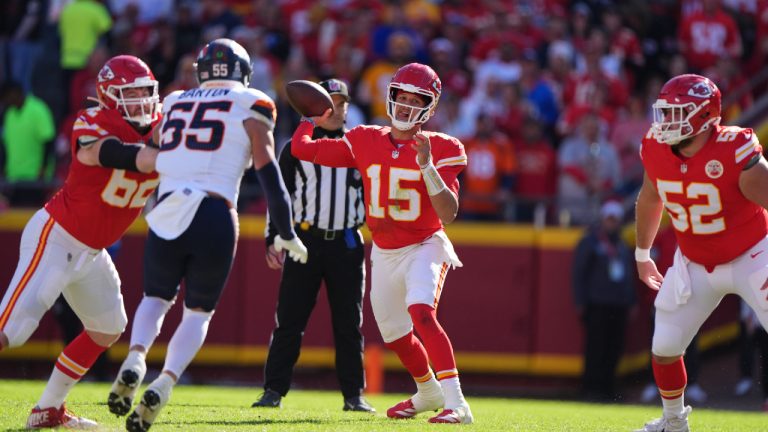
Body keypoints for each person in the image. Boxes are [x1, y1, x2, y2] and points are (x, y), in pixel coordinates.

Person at [107, 38, 307, 432]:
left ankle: (135, 357)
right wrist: (284, 229)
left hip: (166, 208)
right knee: (198, 312)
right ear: (243, 71)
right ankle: (165, 382)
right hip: (215, 211)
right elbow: (268, 171)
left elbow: (153, 149)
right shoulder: (253, 101)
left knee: (154, 298)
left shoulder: (176, 100)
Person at [291, 63, 473, 424]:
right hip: (385, 251)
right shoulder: (364, 138)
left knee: (421, 311)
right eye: (400, 98)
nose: (405, 106)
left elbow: (448, 213)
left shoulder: (441, 147)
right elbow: (303, 150)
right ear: (389, 97)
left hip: (425, 244)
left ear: (430, 106)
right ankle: (428, 391)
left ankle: (457, 403)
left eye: (415, 100)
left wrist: (427, 166)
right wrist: (311, 117)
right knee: (394, 333)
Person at [0, 54, 161, 429]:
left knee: (107, 326)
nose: (141, 101)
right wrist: (162, 155)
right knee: (12, 330)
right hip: (56, 237)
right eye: (130, 93)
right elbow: (101, 151)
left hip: (91, 251)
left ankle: (47, 410)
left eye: (145, 92)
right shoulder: (92, 121)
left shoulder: (163, 127)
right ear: (109, 96)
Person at [634, 73, 768, 432]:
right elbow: (650, 198)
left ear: (704, 116)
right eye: (665, 113)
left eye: (677, 114)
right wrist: (642, 253)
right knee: (664, 344)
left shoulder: (734, 147)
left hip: (754, 253)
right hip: (694, 261)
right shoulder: (655, 147)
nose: (666, 122)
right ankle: (674, 422)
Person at [251, 78, 372, 412]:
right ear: (312, 107)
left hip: (346, 241)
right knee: (289, 320)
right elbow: (280, 196)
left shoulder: (360, 145)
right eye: (327, 101)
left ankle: (354, 396)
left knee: (349, 323)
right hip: (304, 239)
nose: (334, 109)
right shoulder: (295, 146)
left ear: (348, 107)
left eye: (340, 102)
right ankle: (273, 391)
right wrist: (273, 237)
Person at [572, 200, 636, 401]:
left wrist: (631, 300)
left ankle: (608, 388)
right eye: (609, 219)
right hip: (597, 303)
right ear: (602, 219)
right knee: (595, 347)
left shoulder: (622, 244)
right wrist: (580, 301)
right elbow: (578, 273)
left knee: (614, 348)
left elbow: (628, 275)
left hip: (618, 304)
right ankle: (591, 388)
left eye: (615, 220)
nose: (612, 223)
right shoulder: (590, 241)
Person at [0, 80, 56, 207]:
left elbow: (48, 141)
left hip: (35, 178)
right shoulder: (9, 114)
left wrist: (43, 167)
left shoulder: (38, 109)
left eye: (6, 97)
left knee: (33, 216)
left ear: (15, 93)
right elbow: (5, 145)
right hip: (14, 178)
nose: (5, 102)